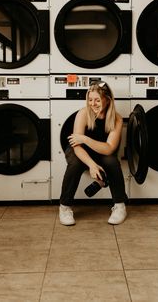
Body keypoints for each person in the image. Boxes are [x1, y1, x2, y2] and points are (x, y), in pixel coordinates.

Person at [59, 80, 128, 226]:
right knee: (76, 163)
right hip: (78, 150)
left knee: (112, 161)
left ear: (107, 100)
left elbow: (109, 148)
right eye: (90, 99)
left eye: (97, 100)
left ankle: (120, 206)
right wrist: (91, 165)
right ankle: (64, 207)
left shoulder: (117, 119)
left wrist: (85, 139)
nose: (93, 103)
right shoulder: (83, 114)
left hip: (101, 149)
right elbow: (76, 146)